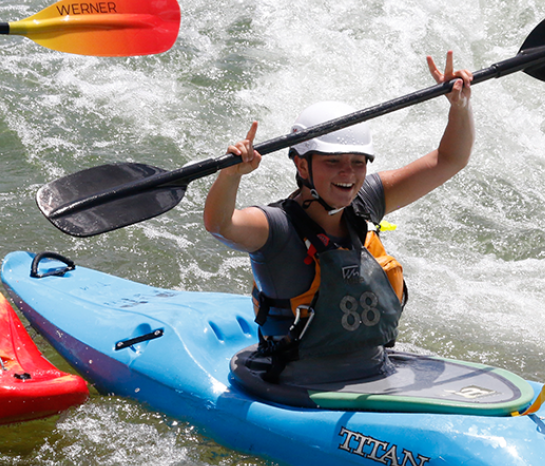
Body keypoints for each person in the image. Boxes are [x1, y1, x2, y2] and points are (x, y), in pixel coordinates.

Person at [203, 51, 474, 384]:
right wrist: (230, 176)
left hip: (376, 369)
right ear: (302, 165)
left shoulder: (365, 202)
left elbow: (449, 159)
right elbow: (220, 225)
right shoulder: (276, 227)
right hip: (298, 383)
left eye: (358, 162)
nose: (349, 173)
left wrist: (459, 107)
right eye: (333, 162)